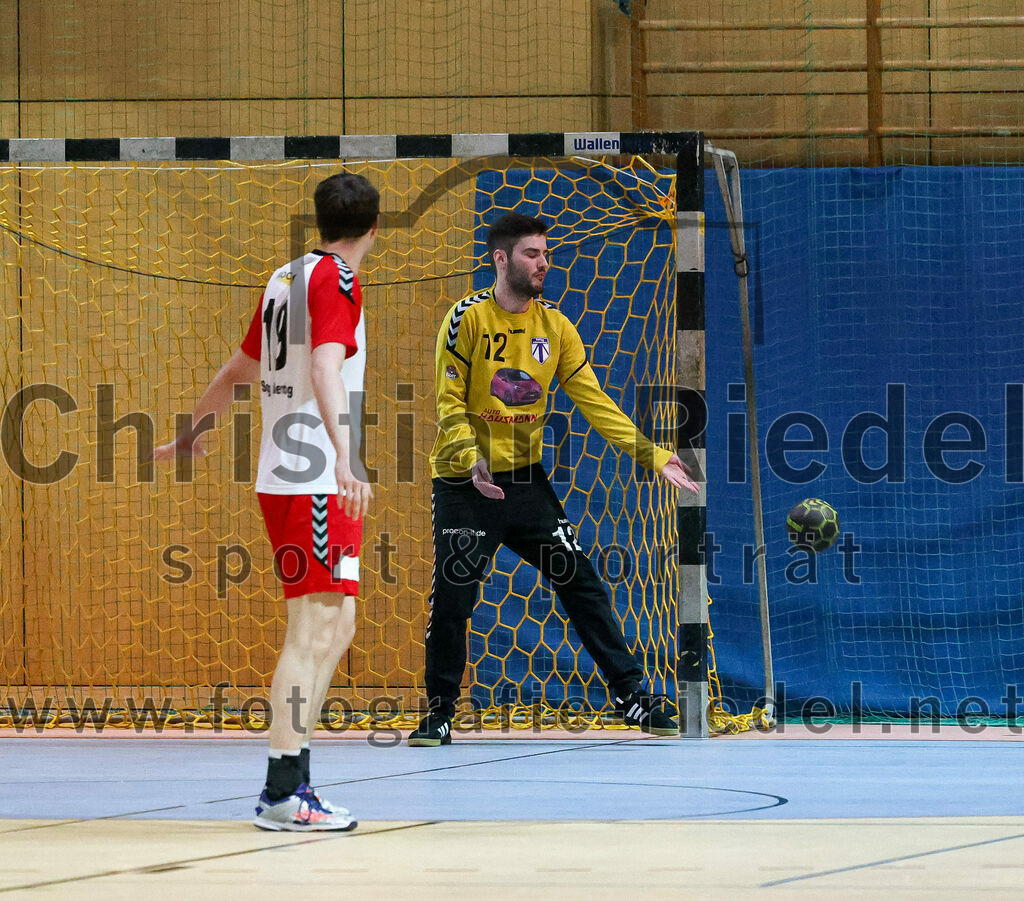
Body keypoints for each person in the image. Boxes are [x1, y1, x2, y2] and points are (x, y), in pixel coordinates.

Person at [409, 211, 700, 746]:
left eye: (546, 253)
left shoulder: (555, 327)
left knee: (581, 581)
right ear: (501, 259)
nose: (544, 263)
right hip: (464, 483)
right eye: (532, 254)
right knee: (453, 597)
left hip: (523, 483)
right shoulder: (466, 319)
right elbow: (448, 401)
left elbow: (593, 399)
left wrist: (650, 453)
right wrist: (470, 453)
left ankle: (632, 697)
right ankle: (439, 712)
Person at [153, 172, 378, 830]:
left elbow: (237, 369)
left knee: (338, 625)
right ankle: (284, 791)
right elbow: (325, 367)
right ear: (374, 229)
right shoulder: (335, 278)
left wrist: (192, 432)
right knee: (310, 631)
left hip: (294, 476)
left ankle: (295, 781)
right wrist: (346, 454)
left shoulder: (284, 278)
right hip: (311, 477)